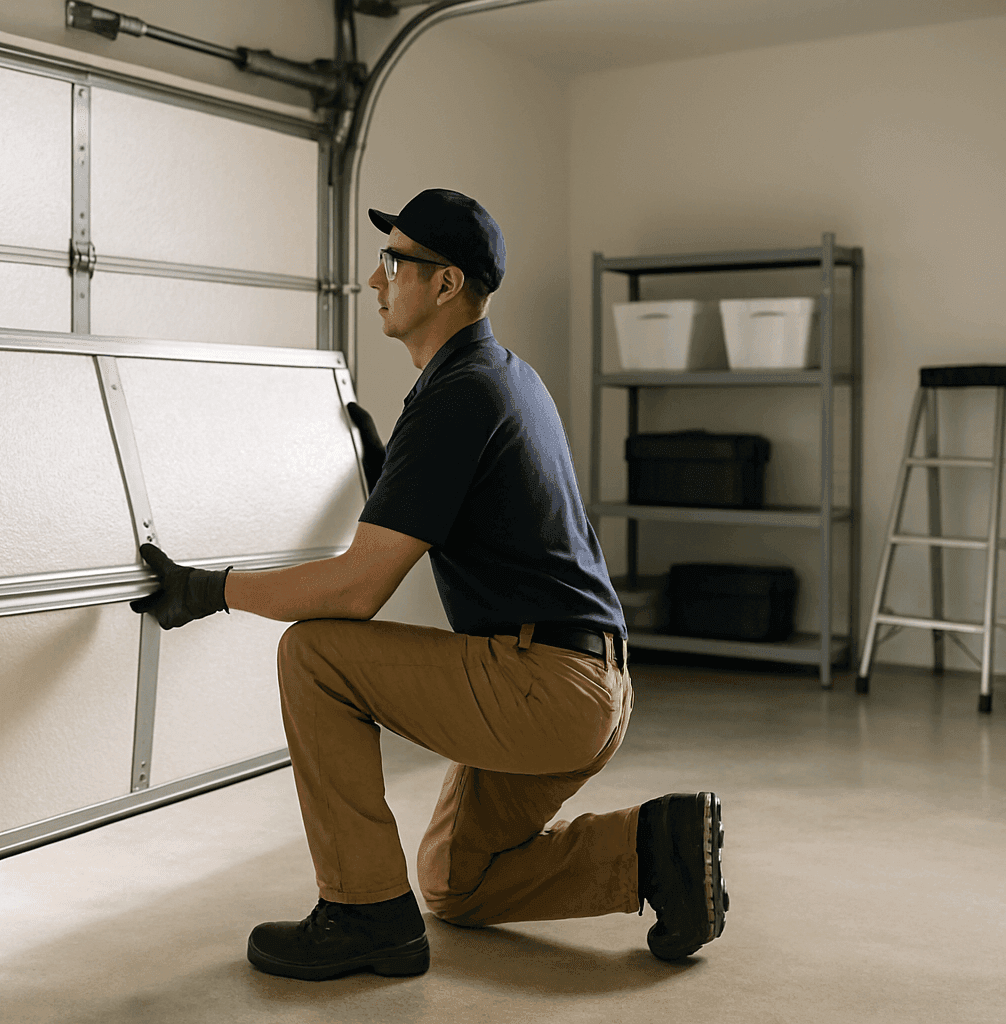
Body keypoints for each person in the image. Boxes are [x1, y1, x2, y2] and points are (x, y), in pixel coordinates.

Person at [130, 188, 727, 981]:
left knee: (315, 655)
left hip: (543, 686)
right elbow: (480, 514)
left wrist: (211, 590)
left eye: (394, 261)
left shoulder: (460, 393)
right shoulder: (500, 377)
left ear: (445, 283)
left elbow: (356, 591)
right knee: (455, 882)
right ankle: (658, 849)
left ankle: (364, 914)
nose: (375, 279)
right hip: (588, 683)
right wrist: (393, 471)